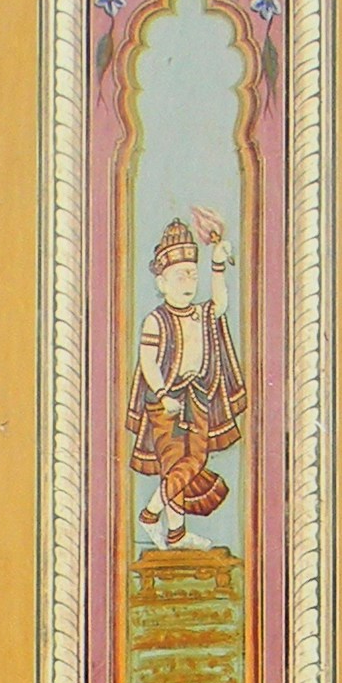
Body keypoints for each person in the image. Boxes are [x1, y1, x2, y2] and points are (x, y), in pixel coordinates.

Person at [125, 208, 248, 548]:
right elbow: (147, 361)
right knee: (175, 465)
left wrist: (217, 264)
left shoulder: (202, 314)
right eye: (179, 277)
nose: (188, 284)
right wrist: (163, 393)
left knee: (194, 460)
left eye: (192, 276)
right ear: (161, 282)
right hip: (166, 404)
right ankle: (167, 528)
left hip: (198, 397)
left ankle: (156, 519)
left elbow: (221, 302)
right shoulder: (156, 320)